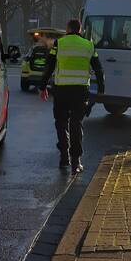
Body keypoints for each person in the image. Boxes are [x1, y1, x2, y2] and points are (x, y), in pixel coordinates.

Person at [39, 19, 105, 173]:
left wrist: (43, 87)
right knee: (76, 124)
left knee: (61, 123)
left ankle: (64, 157)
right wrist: (101, 88)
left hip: (61, 90)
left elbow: (49, 65)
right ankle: (76, 162)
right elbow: (99, 68)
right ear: (80, 29)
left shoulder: (59, 44)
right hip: (80, 91)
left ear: (67, 29)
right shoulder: (89, 45)